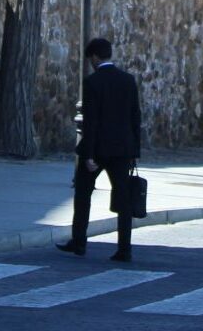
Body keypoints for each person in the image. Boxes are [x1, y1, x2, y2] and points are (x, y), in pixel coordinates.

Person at [57, 37, 141, 262]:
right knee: (124, 201)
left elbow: (91, 121)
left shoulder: (93, 82)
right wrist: (135, 151)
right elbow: (135, 117)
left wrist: (90, 154)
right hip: (122, 149)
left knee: (83, 195)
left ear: (94, 57)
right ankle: (125, 249)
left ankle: (79, 242)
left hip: (98, 149)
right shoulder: (128, 80)